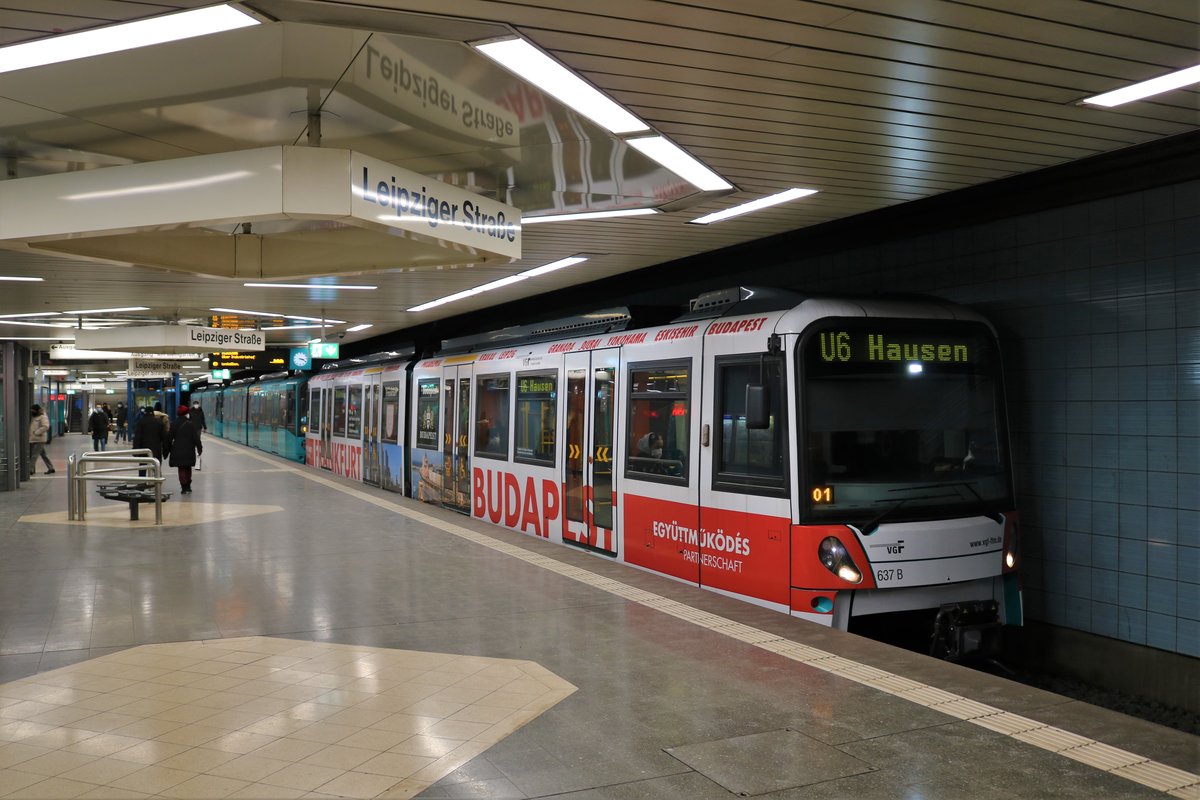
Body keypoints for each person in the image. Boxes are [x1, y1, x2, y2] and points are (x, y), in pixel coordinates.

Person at [167, 405, 202, 495]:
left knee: (181, 469)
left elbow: (169, 439)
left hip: (177, 450)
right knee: (188, 468)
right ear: (186, 414)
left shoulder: (173, 424)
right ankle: (188, 486)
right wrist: (199, 448)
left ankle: (184, 487)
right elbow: (196, 438)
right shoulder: (190, 424)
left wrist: (167, 451)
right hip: (189, 450)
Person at [133, 404, 166, 473]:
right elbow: (164, 437)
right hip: (156, 448)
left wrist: (136, 450)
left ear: (145, 412)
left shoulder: (141, 422)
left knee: (143, 466)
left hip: (143, 449)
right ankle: (157, 480)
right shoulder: (159, 422)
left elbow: (137, 437)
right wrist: (165, 451)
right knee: (156, 466)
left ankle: (142, 481)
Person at [28, 404, 55, 475]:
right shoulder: (34, 417)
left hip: (39, 439)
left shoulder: (43, 417)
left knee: (34, 455)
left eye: (33, 410)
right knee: (43, 455)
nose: (32, 412)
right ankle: (51, 468)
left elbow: (45, 426)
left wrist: (36, 432)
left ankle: (30, 470)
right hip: (34, 439)